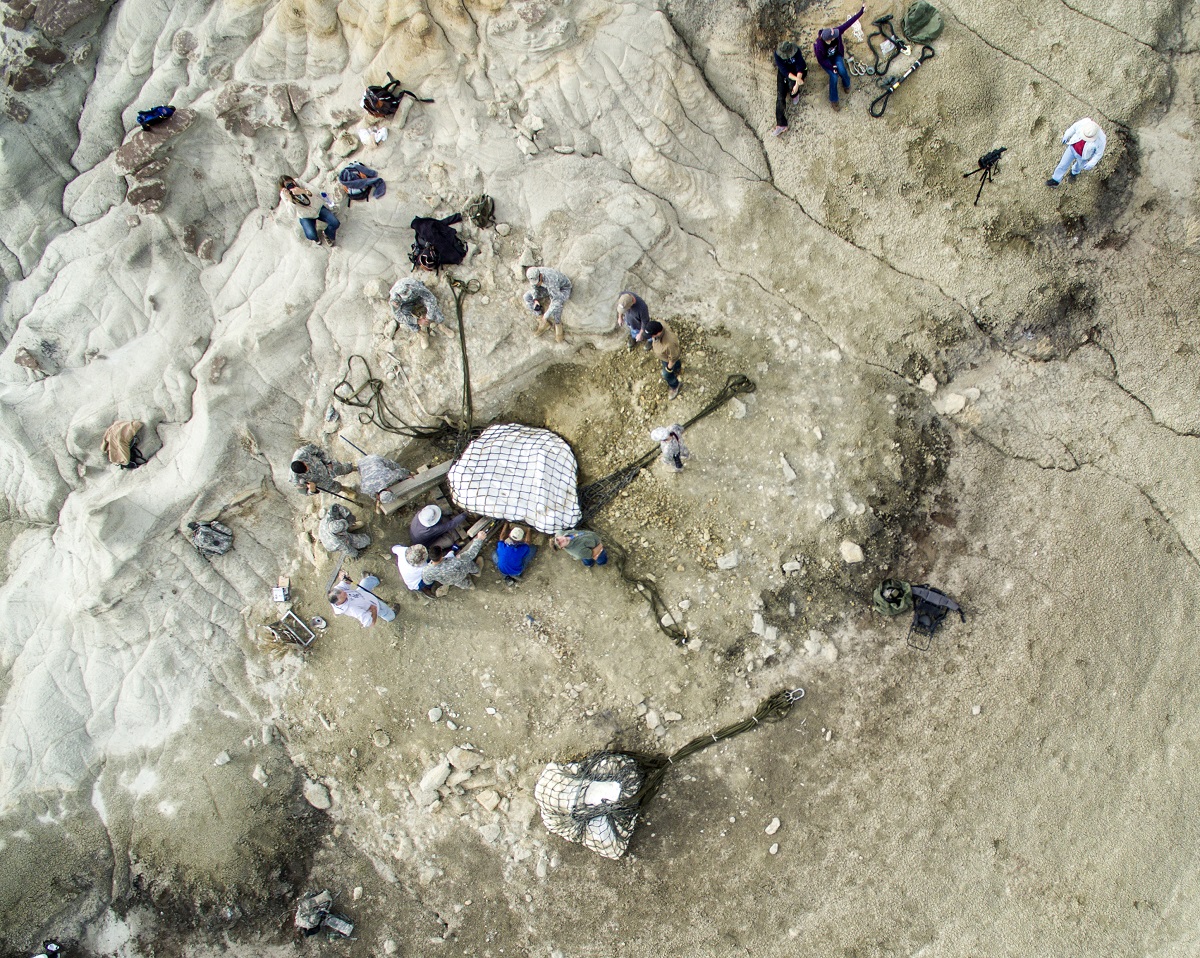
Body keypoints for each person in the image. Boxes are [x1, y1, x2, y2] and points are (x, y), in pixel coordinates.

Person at [813, 6, 864, 111]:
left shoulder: (837, 32)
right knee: (834, 76)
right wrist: (832, 67)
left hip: (836, 55)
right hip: (826, 60)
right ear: (828, 40)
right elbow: (821, 60)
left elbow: (849, 23)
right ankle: (834, 99)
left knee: (842, 69)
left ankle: (847, 84)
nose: (837, 34)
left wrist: (861, 11)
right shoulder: (819, 46)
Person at [279, 174, 339, 246]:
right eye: (288, 185)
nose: (291, 185)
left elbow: (316, 191)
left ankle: (327, 234)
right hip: (306, 216)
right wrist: (290, 200)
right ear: (284, 188)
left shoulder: (298, 182)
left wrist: (302, 191)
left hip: (318, 208)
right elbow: (292, 215)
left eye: (291, 182)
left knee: (335, 223)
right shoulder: (284, 195)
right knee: (310, 235)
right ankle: (316, 238)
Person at [1046, 118, 1107, 187]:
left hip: (1084, 156)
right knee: (1063, 164)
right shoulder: (1083, 123)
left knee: (1079, 166)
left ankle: (1074, 172)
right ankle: (1055, 180)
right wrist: (1067, 135)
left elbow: (1098, 153)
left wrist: (1092, 163)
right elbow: (1073, 128)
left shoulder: (1101, 140)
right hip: (1072, 148)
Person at [388, 277, 446, 349]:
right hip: (406, 304)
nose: (408, 296)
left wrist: (429, 316)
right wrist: (417, 321)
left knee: (432, 306)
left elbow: (431, 299)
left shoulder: (415, 287)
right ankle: (421, 334)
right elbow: (399, 316)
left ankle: (441, 324)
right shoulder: (394, 300)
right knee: (404, 314)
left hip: (418, 297)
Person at [423, 531, 489, 592]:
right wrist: (479, 539)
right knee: (468, 563)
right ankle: (477, 571)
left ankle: (470, 586)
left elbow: (428, 582)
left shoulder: (427, 571)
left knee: (459, 583)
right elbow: (471, 554)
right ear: (441, 554)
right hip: (460, 573)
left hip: (449, 581)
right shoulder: (455, 561)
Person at [328, 570, 395, 627]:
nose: (345, 593)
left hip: (361, 593)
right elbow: (370, 623)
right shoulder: (353, 609)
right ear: (338, 602)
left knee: (366, 582)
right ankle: (391, 616)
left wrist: (346, 579)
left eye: (342, 591)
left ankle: (374, 579)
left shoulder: (338, 592)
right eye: (343, 595)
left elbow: (346, 583)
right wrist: (374, 610)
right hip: (373, 604)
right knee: (385, 611)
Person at [523, 266, 573, 343]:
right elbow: (534, 287)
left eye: (538, 281)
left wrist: (546, 315)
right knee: (527, 297)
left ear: (540, 276)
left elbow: (555, 301)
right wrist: (535, 299)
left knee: (557, 305)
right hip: (546, 288)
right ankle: (543, 322)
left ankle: (558, 324)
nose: (537, 283)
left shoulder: (551, 280)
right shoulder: (534, 275)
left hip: (562, 289)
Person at [771, 40, 807, 136]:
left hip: (797, 71)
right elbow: (784, 71)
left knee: (792, 88)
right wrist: (797, 80)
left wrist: (796, 84)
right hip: (785, 73)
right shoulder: (777, 55)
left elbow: (800, 67)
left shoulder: (796, 51)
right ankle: (781, 124)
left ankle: (795, 94)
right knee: (780, 97)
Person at [290, 444, 355, 496]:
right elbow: (305, 492)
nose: (308, 469)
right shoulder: (295, 479)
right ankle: (346, 490)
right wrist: (312, 490)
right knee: (335, 488)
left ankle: (356, 468)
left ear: (302, 461)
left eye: (306, 466)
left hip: (325, 466)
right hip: (319, 482)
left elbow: (318, 451)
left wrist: (327, 461)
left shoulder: (303, 452)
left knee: (343, 468)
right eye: (305, 471)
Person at [644, 320, 683, 400]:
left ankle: (675, 385)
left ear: (658, 333)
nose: (651, 337)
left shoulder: (668, 344)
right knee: (676, 364)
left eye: (651, 335)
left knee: (666, 375)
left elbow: (673, 357)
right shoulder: (659, 323)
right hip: (665, 355)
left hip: (668, 359)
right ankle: (677, 368)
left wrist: (668, 369)